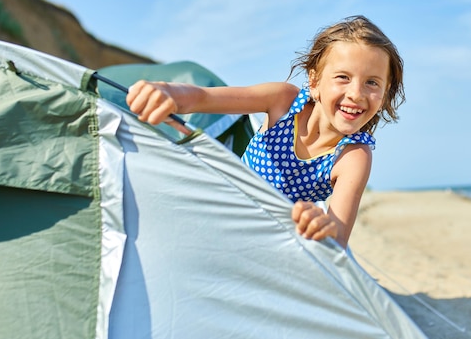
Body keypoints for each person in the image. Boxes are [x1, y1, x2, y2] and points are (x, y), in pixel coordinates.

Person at [126, 15, 405, 248]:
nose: (356, 94)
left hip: (271, 241)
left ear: (384, 94)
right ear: (315, 80)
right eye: (343, 77)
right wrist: (169, 92)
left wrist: (324, 225)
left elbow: (339, 236)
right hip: (223, 205)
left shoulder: (354, 156)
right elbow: (202, 98)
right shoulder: (283, 101)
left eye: (372, 83)